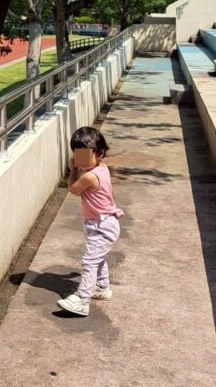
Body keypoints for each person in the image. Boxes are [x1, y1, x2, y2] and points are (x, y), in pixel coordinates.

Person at [58, 126, 124, 317]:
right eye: (78, 155)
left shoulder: (89, 176)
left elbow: (73, 189)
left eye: (85, 156)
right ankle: (102, 287)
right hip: (102, 223)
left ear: (100, 153)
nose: (81, 160)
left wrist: (72, 170)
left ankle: (82, 299)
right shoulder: (101, 167)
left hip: (102, 225)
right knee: (97, 258)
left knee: (89, 261)